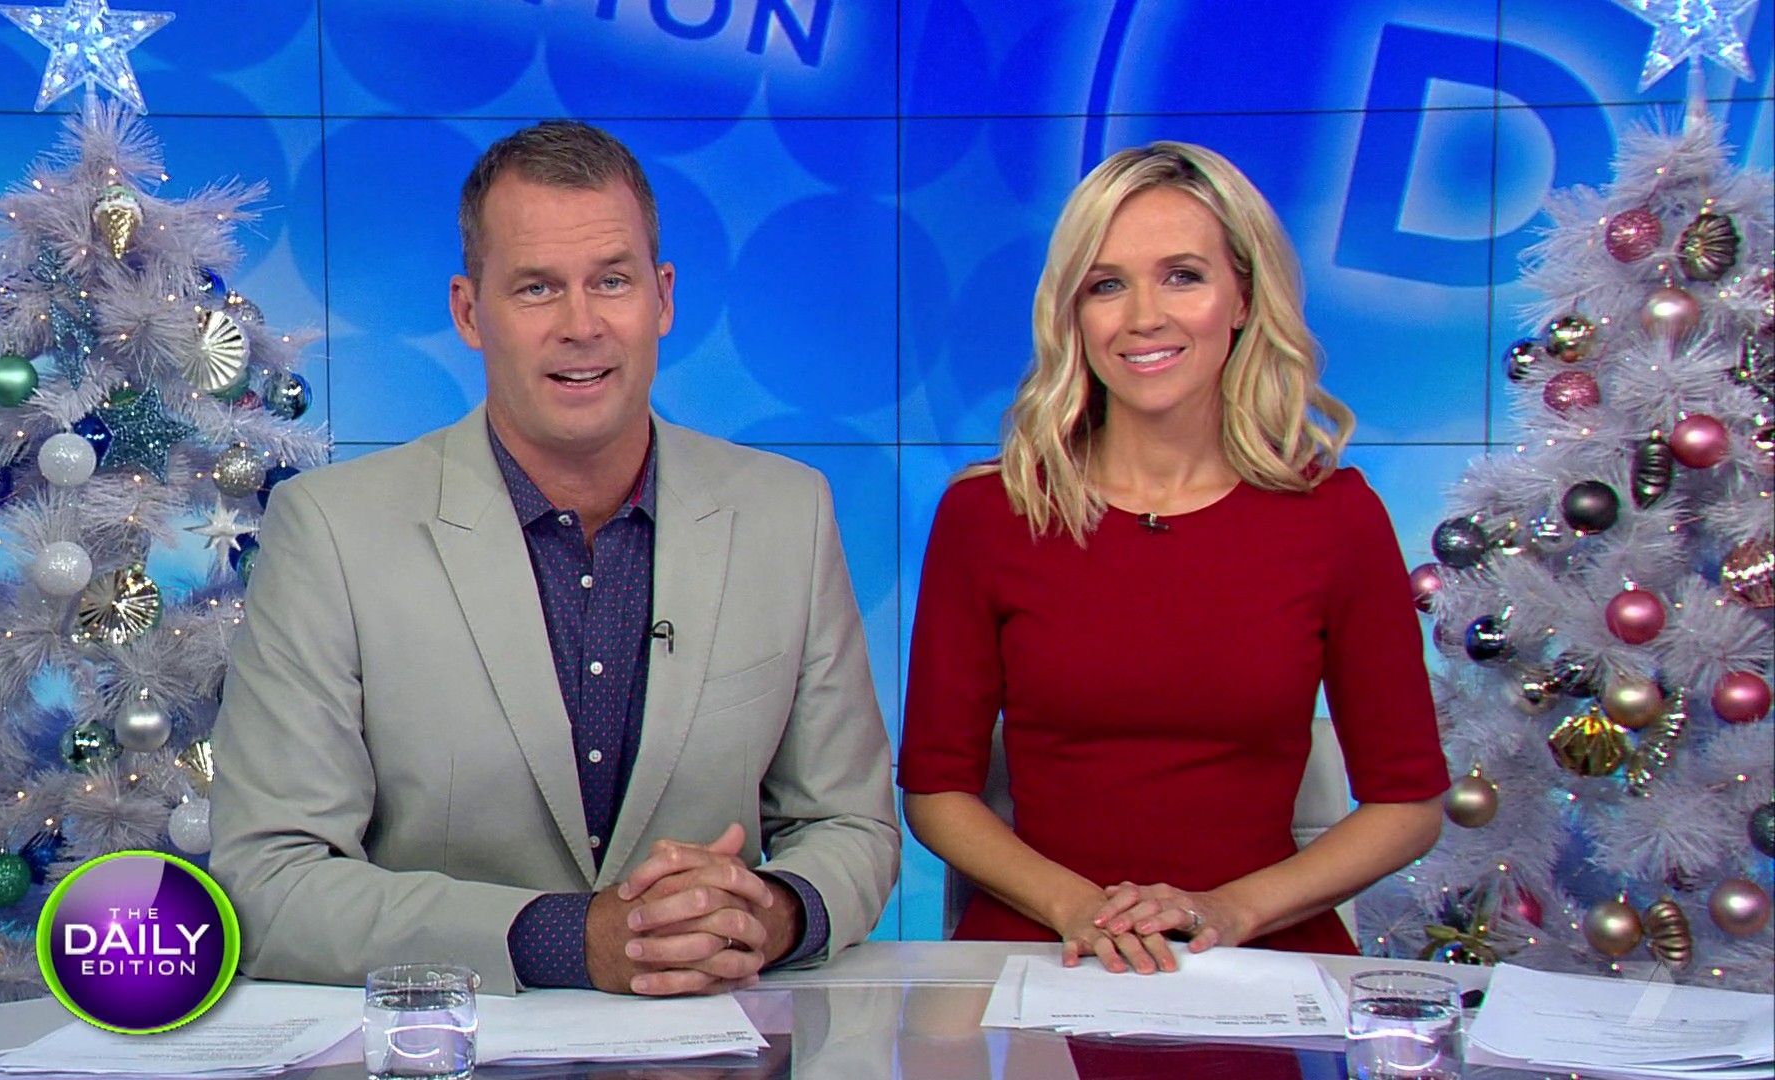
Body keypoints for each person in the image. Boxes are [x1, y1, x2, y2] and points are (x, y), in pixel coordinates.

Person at [211, 120, 899, 997]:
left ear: (663, 298)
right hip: (451, 1043)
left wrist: (769, 912)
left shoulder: (786, 514)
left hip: (719, 1036)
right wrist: (571, 939)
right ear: (469, 312)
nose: (582, 326)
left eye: (612, 281)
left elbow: (851, 826)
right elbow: (271, 881)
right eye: (536, 288)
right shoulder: (333, 531)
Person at [898, 142, 1448, 975]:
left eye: (1183, 276)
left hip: (1258, 952)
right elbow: (937, 794)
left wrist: (1227, 909)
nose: (1143, 317)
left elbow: (1407, 805)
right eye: (1106, 285)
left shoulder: (1336, 517)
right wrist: (1080, 910)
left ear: (1243, 298)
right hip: (1047, 950)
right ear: (1073, 313)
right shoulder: (991, 514)